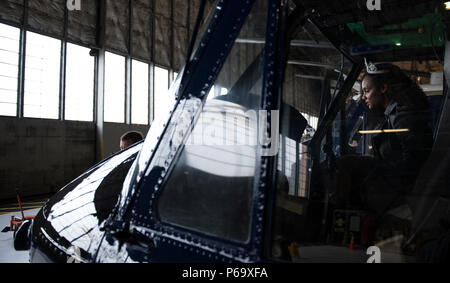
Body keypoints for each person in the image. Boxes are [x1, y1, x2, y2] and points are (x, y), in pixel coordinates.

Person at [333, 61, 434, 220]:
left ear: (383, 88)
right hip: (394, 186)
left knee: (345, 165)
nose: (364, 97)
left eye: (367, 90)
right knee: (346, 162)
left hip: (401, 193)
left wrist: (377, 169)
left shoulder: (404, 114)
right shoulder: (394, 113)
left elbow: (415, 161)